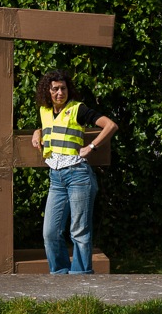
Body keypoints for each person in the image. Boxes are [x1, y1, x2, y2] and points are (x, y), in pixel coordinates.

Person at [31, 70, 118, 274]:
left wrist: (92, 147)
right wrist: (37, 133)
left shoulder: (77, 109)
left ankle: (80, 278)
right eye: (55, 89)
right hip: (56, 178)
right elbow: (47, 127)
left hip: (78, 175)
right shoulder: (44, 111)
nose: (60, 92)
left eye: (63, 88)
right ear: (48, 91)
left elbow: (110, 125)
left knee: (79, 231)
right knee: (50, 233)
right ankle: (60, 275)